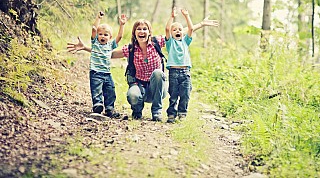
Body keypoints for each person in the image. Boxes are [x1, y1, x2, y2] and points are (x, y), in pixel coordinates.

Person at [67, 15, 218, 121]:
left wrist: (201, 24)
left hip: (156, 89)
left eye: (145, 29)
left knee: (158, 73)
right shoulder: (131, 49)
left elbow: (180, 32)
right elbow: (108, 54)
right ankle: (137, 111)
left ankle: (156, 111)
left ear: (149, 32)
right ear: (134, 33)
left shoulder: (157, 42)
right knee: (132, 95)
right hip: (139, 87)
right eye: (139, 29)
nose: (142, 31)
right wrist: (86, 48)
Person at [86, 11, 127, 118]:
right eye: (100, 34)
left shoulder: (110, 45)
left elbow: (120, 37)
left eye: (105, 34)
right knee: (97, 89)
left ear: (109, 37)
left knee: (110, 90)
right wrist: (98, 18)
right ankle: (97, 105)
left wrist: (122, 25)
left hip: (107, 73)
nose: (102, 36)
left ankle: (109, 108)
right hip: (95, 72)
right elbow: (94, 29)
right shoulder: (95, 43)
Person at [165, 7, 193, 123]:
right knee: (173, 95)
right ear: (171, 34)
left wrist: (186, 16)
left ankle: (182, 113)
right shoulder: (170, 43)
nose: (177, 31)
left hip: (185, 73)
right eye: (175, 30)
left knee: (185, 95)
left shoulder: (185, 42)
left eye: (180, 29)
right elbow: (167, 28)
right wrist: (172, 16)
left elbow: (191, 28)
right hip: (173, 73)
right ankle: (171, 114)